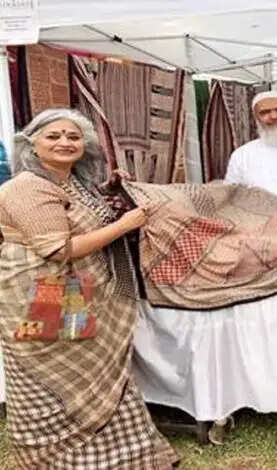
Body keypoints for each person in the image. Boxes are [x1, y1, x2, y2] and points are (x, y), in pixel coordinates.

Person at [0, 109, 178, 468]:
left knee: (93, 371)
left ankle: (120, 456)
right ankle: (57, 458)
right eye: (53, 136)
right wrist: (125, 225)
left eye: (73, 136)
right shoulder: (27, 186)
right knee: (58, 373)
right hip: (41, 290)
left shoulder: (70, 181)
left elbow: (87, 217)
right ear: (31, 144)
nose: (65, 142)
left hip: (71, 288)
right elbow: (58, 249)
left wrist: (112, 192)